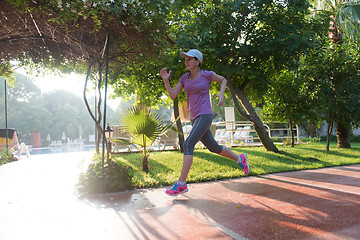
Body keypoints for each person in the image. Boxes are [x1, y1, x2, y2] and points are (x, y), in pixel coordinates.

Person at [160, 49, 249, 196]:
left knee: (188, 144)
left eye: (189, 59)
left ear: (197, 61)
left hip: (205, 115)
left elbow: (223, 80)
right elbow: (173, 95)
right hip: (194, 117)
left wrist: (221, 95)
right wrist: (166, 80)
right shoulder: (184, 78)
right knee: (213, 147)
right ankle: (240, 158)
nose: (186, 62)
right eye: (185, 59)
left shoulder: (207, 75)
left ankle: (181, 184)